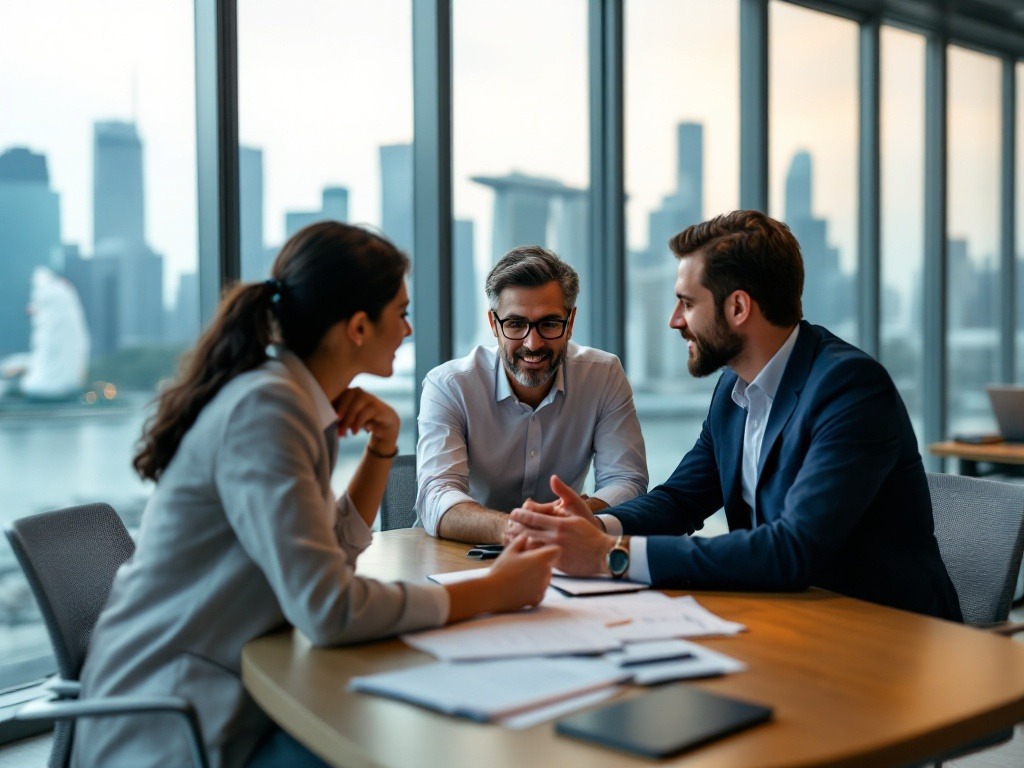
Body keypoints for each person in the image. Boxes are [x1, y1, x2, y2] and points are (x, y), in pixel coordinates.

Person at [72, 222, 558, 768]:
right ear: (356, 327)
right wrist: (492, 590)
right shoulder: (268, 411)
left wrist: (382, 449)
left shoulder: (293, 402)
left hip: (228, 689)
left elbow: (331, 555)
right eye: (399, 313)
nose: (407, 328)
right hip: (171, 722)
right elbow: (328, 608)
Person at [510, 210, 962, 621]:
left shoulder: (851, 389)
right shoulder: (733, 388)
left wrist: (613, 554)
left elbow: (792, 549)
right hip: (789, 617)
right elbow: (681, 500)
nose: (674, 320)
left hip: (888, 633)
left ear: (738, 308)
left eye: (687, 303)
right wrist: (595, 526)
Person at [416, 245, 648, 545]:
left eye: (549, 324)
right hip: (460, 553)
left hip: (560, 549)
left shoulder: (603, 375)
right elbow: (437, 495)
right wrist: (516, 528)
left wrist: (571, 516)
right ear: (493, 325)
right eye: (515, 324)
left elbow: (627, 480)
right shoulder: (449, 385)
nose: (533, 343)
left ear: (571, 323)